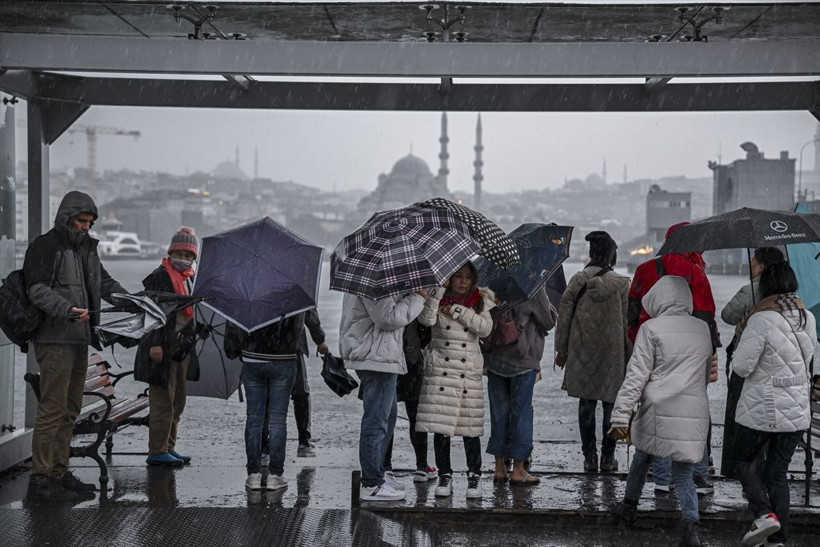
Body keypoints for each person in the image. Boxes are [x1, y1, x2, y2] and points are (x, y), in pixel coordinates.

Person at [23, 191, 128, 503]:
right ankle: (40, 482)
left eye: (90, 223)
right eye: (82, 221)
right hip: (54, 340)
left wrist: (131, 301)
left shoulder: (88, 250)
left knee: (70, 410)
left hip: (79, 340)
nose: (86, 227)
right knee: (52, 410)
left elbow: (104, 284)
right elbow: (36, 289)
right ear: (66, 218)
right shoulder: (46, 245)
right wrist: (67, 310)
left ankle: (59, 473)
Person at [609, 276, 714, 547]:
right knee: (683, 473)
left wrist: (620, 415)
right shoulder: (702, 328)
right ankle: (691, 528)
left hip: (658, 410)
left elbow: (636, 376)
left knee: (643, 456)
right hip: (692, 411)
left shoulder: (651, 329)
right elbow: (704, 376)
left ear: (658, 299)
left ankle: (629, 507)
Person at [627, 222, 718, 494]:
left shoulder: (644, 270)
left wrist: (640, 342)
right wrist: (706, 351)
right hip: (689, 353)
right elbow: (705, 315)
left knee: (655, 410)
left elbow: (632, 314)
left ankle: (661, 477)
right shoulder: (695, 271)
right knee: (691, 412)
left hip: (650, 347)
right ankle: (698, 476)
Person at [730, 262, 816, 546]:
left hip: (763, 409)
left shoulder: (761, 319)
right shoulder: (807, 317)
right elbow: (808, 359)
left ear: (767, 285)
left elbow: (742, 367)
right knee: (777, 473)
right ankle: (777, 540)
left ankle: (764, 514)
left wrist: (742, 336)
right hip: (796, 410)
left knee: (744, 462)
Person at [415, 262, 495, 499]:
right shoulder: (438, 298)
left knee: (470, 429)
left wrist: (458, 310)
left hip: (467, 373)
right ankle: (445, 475)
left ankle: (474, 476)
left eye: (468, 277)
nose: (463, 281)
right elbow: (426, 320)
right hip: (442, 371)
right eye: (458, 276)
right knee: (441, 428)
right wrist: (438, 291)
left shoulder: (480, 300)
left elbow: (485, 329)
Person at [339, 288, 426, 502]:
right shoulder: (376, 281)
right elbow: (388, 318)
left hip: (382, 355)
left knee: (388, 418)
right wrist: (418, 298)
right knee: (377, 421)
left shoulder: (381, 278)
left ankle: (378, 473)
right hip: (376, 357)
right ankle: (371, 483)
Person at [554, 231, 630, 473]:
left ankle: (590, 457)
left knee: (586, 404)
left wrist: (561, 350)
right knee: (611, 404)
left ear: (591, 253)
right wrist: (630, 356)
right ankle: (608, 457)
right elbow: (628, 322)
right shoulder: (621, 284)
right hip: (613, 353)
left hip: (582, 351)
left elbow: (564, 318)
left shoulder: (578, 280)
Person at [135, 227, 205, 467]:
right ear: (170, 252)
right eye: (179, 253)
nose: (183, 259)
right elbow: (151, 313)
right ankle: (157, 450)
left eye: (188, 255)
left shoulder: (189, 279)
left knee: (177, 402)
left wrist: (199, 329)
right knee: (163, 402)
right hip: (161, 351)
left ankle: (169, 446)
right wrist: (155, 343)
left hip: (180, 350)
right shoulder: (160, 276)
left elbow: (187, 314)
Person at [224, 311, 312, 492]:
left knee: (254, 418)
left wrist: (236, 349)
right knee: (278, 420)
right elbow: (298, 328)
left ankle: (254, 474)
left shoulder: (248, 296)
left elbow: (233, 329)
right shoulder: (293, 297)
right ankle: (275, 475)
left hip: (253, 358)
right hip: (284, 359)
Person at [719, 246, 785, 479]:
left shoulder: (750, 290)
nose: (750, 264)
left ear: (762, 267)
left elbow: (727, 316)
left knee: (740, 414)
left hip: (749, 362)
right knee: (769, 416)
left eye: (754, 261)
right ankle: (767, 468)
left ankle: (739, 467)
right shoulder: (787, 295)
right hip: (777, 365)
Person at [484, 285, 556, 485]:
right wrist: (550, 308)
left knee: (498, 413)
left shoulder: (492, 284)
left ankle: (499, 468)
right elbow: (548, 321)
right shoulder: (532, 286)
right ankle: (518, 469)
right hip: (523, 360)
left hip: (495, 358)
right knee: (521, 413)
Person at [261, 308, 329, 462]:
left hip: (264, 345)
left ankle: (264, 448)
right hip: (292, 344)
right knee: (300, 392)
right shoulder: (298, 292)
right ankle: (304, 442)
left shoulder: (258, 291)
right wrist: (320, 340)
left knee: (266, 396)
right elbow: (309, 312)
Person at [382, 320, 437, 483]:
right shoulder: (414, 304)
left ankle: (385, 466)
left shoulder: (384, 303)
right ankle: (421, 466)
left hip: (386, 358)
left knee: (386, 416)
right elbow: (426, 331)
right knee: (416, 416)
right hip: (411, 358)